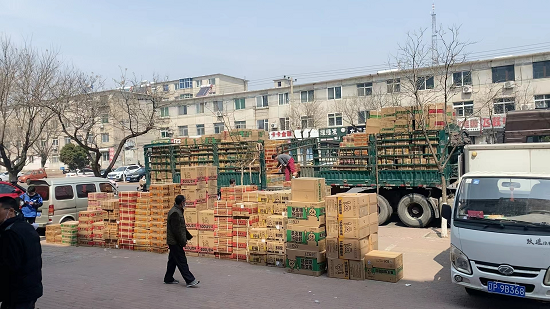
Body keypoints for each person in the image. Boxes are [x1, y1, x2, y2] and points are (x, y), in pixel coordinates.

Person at [0, 196, 43, 309]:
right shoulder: (27, 227)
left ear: (11, 211)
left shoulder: (10, 233)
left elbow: (9, 267)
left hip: (17, 293)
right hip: (31, 288)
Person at [164, 195, 199, 288]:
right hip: (175, 242)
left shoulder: (177, 211)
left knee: (172, 260)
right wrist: (182, 242)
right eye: (184, 202)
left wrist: (188, 236)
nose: (185, 203)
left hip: (174, 241)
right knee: (181, 260)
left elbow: (181, 228)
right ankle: (190, 280)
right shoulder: (175, 213)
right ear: (181, 203)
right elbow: (177, 231)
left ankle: (168, 278)